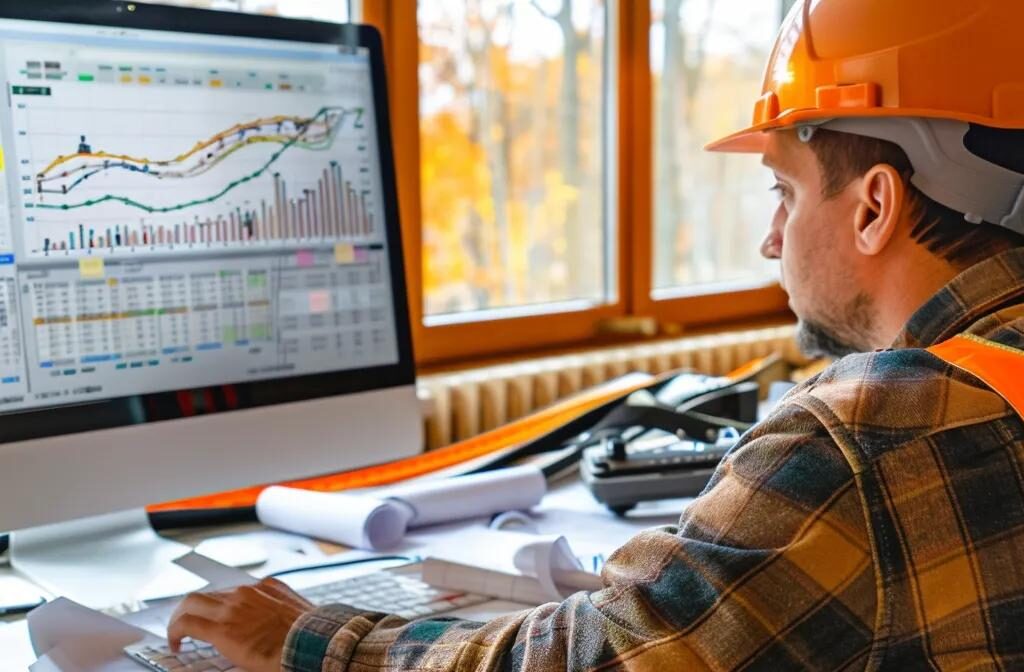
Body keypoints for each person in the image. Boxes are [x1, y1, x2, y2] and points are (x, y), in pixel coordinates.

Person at [167, 1, 1024, 669]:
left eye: (785, 192)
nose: (772, 241)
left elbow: (600, 658)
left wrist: (310, 640)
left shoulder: (866, 435)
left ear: (874, 206)